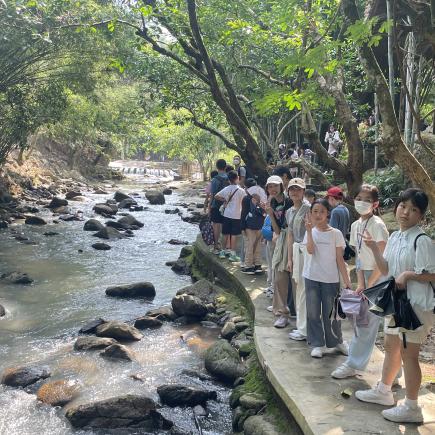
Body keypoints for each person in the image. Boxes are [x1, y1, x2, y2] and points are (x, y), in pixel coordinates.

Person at [355, 188, 435, 424]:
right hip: (396, 302)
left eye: (413, 210)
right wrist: (373, 249)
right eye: (403, 206)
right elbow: (387, 268)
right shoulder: (396, 236)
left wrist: (409, 274)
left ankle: (412, 406)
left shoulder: (422, 240)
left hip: (415, 306)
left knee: (410, 355)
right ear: (396, 206)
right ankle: (384, 390)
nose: (406, 212)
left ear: (421, 216)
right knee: (391, 346)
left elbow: (432, 273)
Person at [331, 184, 389, 379]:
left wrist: (370, 285)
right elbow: (359, 256)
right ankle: (394, 373)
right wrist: (361, 283)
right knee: (363, 322)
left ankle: (353, 364)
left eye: (367, 200)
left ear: (375, 204)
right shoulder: (356, 225)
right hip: (367, 277)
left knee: (366, 324)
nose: (362, 203)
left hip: (380, 279)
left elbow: (382, 259)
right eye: (359, 198)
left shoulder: (378, 225)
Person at [302, 198, 352, 358]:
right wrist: (309, 232)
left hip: (330, 279)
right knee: (313, 312)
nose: (318, 215)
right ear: (310, 213)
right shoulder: (309, 231)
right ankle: (317, 344)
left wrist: (347, 280)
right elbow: (310, 251)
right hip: (311, 277)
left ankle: (337, 342)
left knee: (331, 313)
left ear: (327, 213)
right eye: (315, 211)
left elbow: (339, 259)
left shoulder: (336, 234)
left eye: (322, 211)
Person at [264, 175, 294, 328]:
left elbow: (290, 227)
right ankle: (282, 311)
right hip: (282, 239)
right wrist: (270, 213)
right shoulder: (274, 203)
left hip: (293, 241)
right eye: (270, 187)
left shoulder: (289, 202)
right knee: (278, 276)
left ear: (282, 186)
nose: (273, 189)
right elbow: (277, 229)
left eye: (275, 186)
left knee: (291, 279)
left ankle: (286, 311)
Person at [286, 178, 311, 341]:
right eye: (292, 189)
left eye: (298, 189)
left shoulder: (309, 208)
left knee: (305, 290)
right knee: (299, 289)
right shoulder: (289, 211)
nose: (295, 192)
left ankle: (305, 328)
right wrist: (289, 258)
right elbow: (290, 235)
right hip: (296, 250)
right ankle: (301, 327)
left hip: (308, 251)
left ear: (303, 191)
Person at [214, 170, 246, 262]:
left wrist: (224, 200)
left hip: (227, 214)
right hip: (237, 215)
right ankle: (232, 254)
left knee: (225, 234)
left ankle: (223, 252)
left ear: (229, 180)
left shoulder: (227, 189)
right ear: (238, 178)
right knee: (234, 235)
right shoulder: (241, 190)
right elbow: (244, 201)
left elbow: (216, 196)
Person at [240, 179, 266, 274]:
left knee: (249, 246)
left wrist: (242, 227)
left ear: (247, 188)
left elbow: (243, 214)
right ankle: (258, 266)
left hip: (249, 226)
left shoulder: (246, 199)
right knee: (258, 245)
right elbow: (264, 213)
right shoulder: (262, 198)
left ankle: (248, 266)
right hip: (260, 225)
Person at [208, 159, 229, 254]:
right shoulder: (230, 178)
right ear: (225, 167)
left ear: (217, 167)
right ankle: (225, 247)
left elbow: (212, 195)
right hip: (227, 205)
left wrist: (209, 207)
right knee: (224, 226)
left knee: (216, 226)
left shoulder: (215, 179)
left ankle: (216, 246)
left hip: (216, 205)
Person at [262, 214, 275, 297]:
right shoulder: (268, 214)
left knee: (273, 266)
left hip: (274, 241)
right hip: (268, 240)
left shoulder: (276, 213)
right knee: (270, 265)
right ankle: (270, 286)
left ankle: (273, 288)